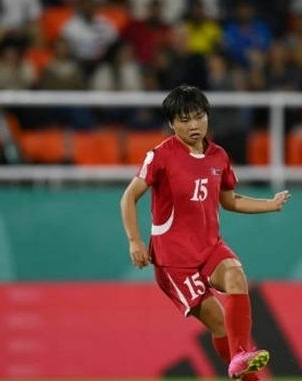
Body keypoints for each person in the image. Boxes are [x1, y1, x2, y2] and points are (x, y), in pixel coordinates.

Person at [120, 85, 290, 380]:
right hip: (176, 263)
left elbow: (230, 200)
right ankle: (244, 370)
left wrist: (270, 204)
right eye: (184, 120)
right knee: (219, 323)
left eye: (198, 117)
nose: (194, 125)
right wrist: (135, 241)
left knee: (237, 275)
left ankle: (238, 356)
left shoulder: (218, 156)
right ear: (172, 124)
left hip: (210, 248)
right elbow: (128, 197)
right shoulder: (160, 155)